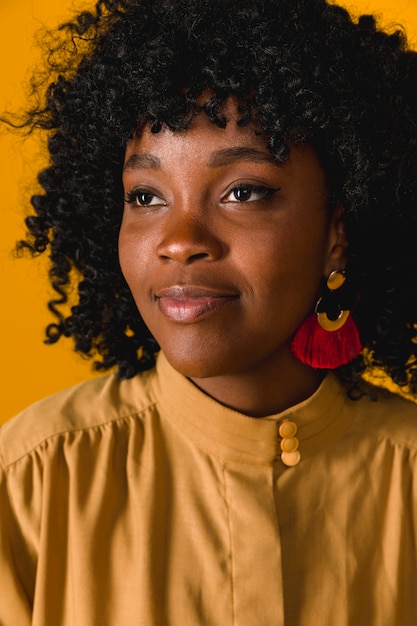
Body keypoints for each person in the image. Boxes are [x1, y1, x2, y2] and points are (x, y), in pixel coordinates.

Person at [1, 0, 417, 623]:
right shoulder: (28, 483)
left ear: (339, 229)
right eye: (145, 196)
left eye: (242, 192)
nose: (179, 238)